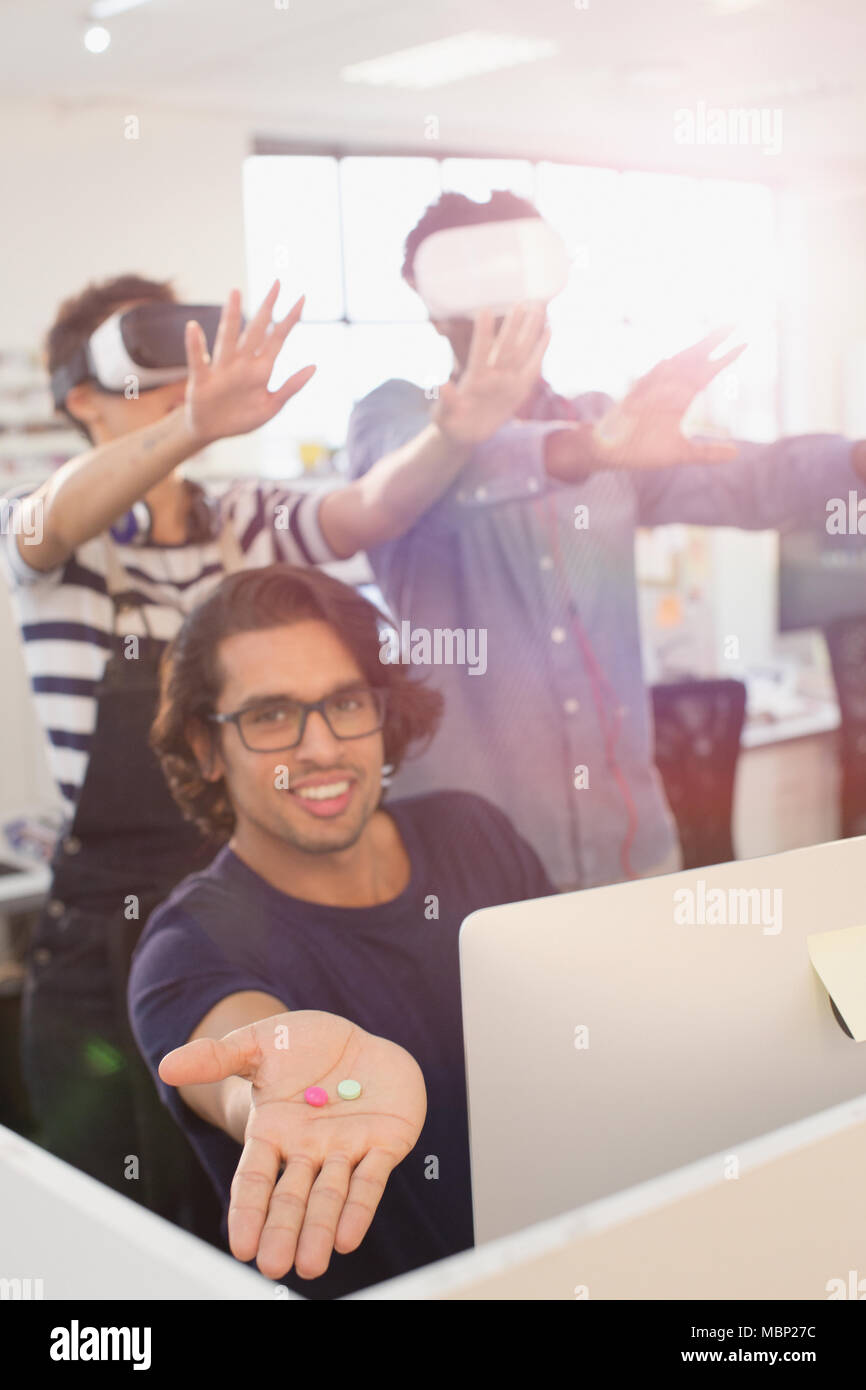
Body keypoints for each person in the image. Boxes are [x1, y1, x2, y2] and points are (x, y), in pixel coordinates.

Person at [0, 270, 547, 1236]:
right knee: (124, 1223)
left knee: (265, 1195)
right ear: (80, 399)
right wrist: (190, 429)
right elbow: (44, 525)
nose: (180, 385)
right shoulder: (58, 532)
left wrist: (456, 433)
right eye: (145, 372)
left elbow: (367, 511)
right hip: (107, 929)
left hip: (249, 900)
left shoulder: (243, 519)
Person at [347, 190, 866, 893]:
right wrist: (588, 448)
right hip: (472, 872)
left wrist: (855, 462)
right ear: (432, 305)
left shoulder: (609, 427)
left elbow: (749, 480)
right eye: (476, 283)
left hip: (631, 847)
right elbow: (436, 474)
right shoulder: (395, 424)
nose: (508, 305)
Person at [127, 564, 553, 1298]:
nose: (321, 749)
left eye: (345, 702)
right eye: (270, 716)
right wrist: (278, 1088)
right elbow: (243, 1071)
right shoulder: (185, 949)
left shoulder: (471, 831)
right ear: (204, 746)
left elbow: (573, 1011)